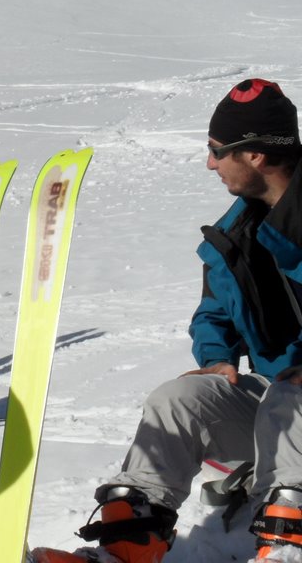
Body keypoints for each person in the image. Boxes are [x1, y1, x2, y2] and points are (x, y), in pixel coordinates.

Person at [33, 79, 302, 563]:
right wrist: (218, 357)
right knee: (177, 400)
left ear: (255, 155)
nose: (210, 164)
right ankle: (129, 549)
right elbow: (214, 312)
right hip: (280, 405)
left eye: (217, 151)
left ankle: (285, 549)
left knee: (290, 393)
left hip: (292, 403)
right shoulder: (240, 232)